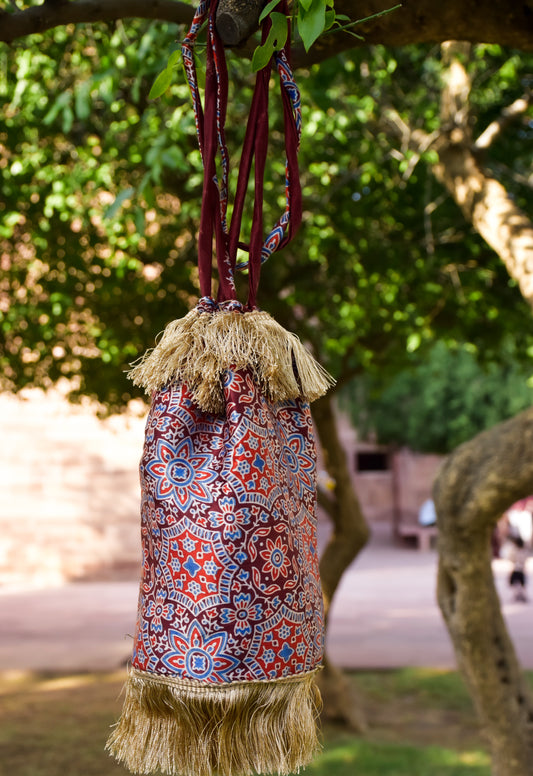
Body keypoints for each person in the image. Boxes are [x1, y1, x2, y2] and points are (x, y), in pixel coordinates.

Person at [508, 535, 528, 603]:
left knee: (516, 582)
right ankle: (519, 595)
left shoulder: (515, 550)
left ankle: (519, 595)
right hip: (520, 569)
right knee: (519, 583)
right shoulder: (523, 550)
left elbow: (511, 558)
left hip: (517, 569)